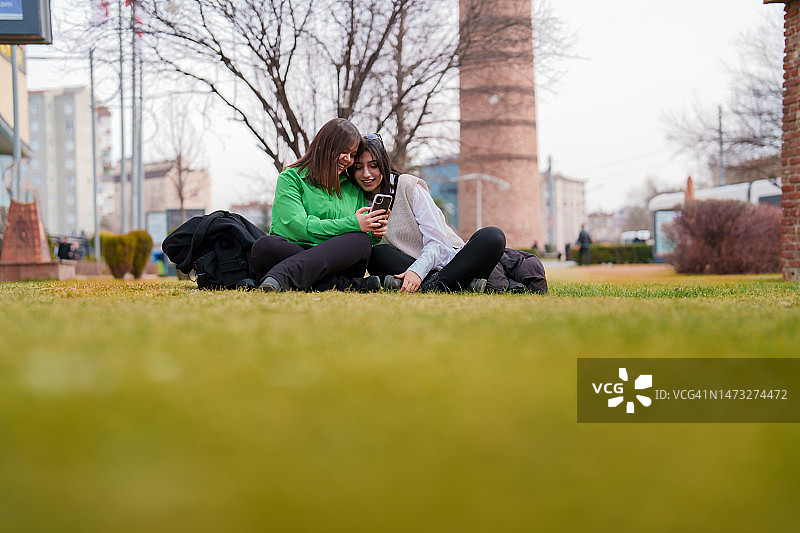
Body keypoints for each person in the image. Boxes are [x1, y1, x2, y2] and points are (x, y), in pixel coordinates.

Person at [349, 133, 505, 292]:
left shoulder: (408, 186)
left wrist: (417, 272)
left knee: (493, 236)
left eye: (373, 165)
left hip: (448, 261)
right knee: (378, 254)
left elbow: (437, 243)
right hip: (407, 264)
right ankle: (457, 284)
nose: (366, 174)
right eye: (358, 167)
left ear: (383, 163)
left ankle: (433, 285)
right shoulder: (356, 200)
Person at [251, 119, 388, 292]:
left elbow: (360, 239)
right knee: (265, 246)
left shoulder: (353, 188)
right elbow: (298, 227)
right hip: (295, 250)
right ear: (324, 146)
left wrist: (373, 232)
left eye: (352, 155)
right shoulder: (291, 178)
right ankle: (345, 285)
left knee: (360, 241)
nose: (348, 159)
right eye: (343, 152)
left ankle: (282, 275)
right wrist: (352, 224)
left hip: (338, 263)